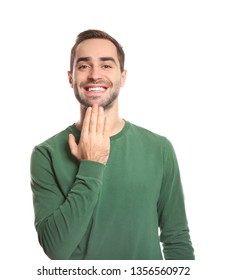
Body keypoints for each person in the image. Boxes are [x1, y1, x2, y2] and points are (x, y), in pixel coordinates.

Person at [30, 29, 195, 260]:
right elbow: (56, 250)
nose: (95, 75)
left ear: (123, 77)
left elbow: (176, 238)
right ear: (71, 78)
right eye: (84, 66)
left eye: (106, 65)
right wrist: (91, 164)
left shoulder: (159, 148)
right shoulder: (46, 153)